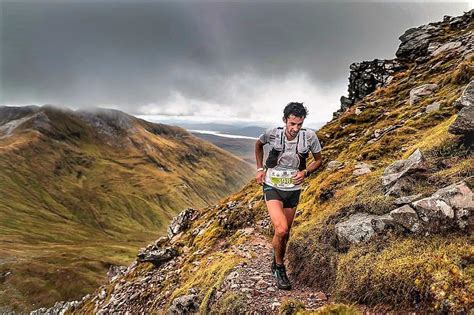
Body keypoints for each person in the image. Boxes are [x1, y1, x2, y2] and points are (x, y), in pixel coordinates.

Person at [255, 102, 322, 290]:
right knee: (281, 229)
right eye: (292, 124)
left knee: (285, 234)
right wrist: (260, 169)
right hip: (272, 186)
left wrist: (306, 172)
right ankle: (279, 267)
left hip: (293, 189)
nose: (295, 128)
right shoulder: (273, 134)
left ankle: (276, 255)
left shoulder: (309, 137)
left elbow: (319, 161)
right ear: (285, 120)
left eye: (299, 124)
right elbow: (258, 145)